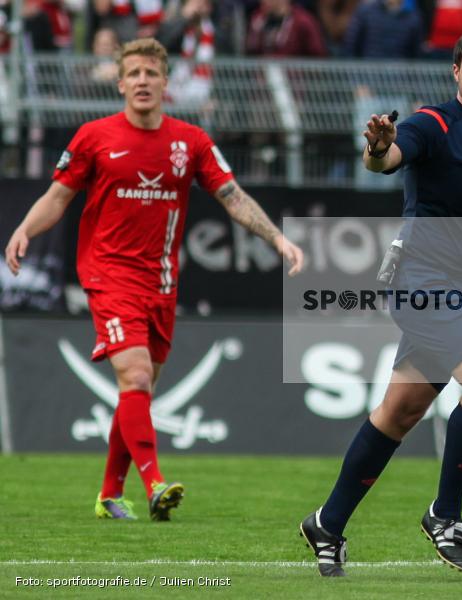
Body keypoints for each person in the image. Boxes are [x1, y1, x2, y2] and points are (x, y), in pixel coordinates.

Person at [298, 23, 462, 577]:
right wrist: (376, 145)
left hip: (460, 291)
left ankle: (327, 521)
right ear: (457, 71)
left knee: (400, 412)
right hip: (419, 278)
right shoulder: (432, 123)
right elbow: (388, 159)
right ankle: (446, 515)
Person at [4, 38, 304, 521]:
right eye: (134, 74)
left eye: (151, 73)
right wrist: (24, 229)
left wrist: (278, 240)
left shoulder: (190, 142)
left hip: (161, 282)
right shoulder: (93, 137)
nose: (143, 81)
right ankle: (155, 484)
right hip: (107, 275)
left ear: (166, 82)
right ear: (120, 83)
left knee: (138, 391)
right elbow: (57, 197)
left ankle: (108, 494)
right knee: (136, 375)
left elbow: (233, 197)